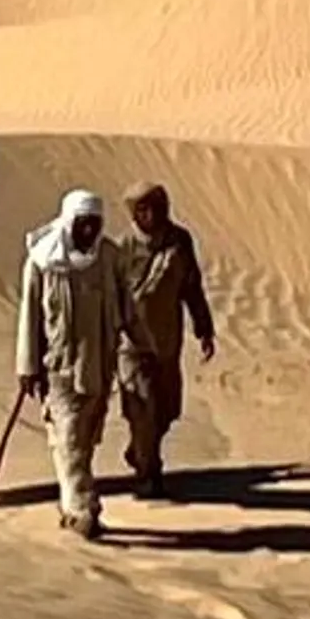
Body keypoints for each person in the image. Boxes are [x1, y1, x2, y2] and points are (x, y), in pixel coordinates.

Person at [14, 187, 127, 539]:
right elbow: (30, 316)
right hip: (60, 368)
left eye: (94, 223)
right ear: (68, 222)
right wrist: (28, 366)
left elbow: (128, 308)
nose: (89, 231)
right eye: (83, 223)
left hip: (100, 367)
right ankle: (83, 510)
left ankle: (70, 504)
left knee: (82, 440)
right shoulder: (42, 262)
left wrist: (145, 345)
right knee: (71, 437)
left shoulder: (110, 257)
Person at [114, 182, 218, 497]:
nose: (152, 214)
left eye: (157, 206)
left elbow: (191, 287)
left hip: (167, 345)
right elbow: (109, 297)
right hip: (133, 347)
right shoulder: (123, 248)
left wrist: (204, 328)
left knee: (166, 411)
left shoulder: (179, 241)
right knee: (142, 406)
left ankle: (140, 450)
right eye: (143, 209)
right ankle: (149, 473)